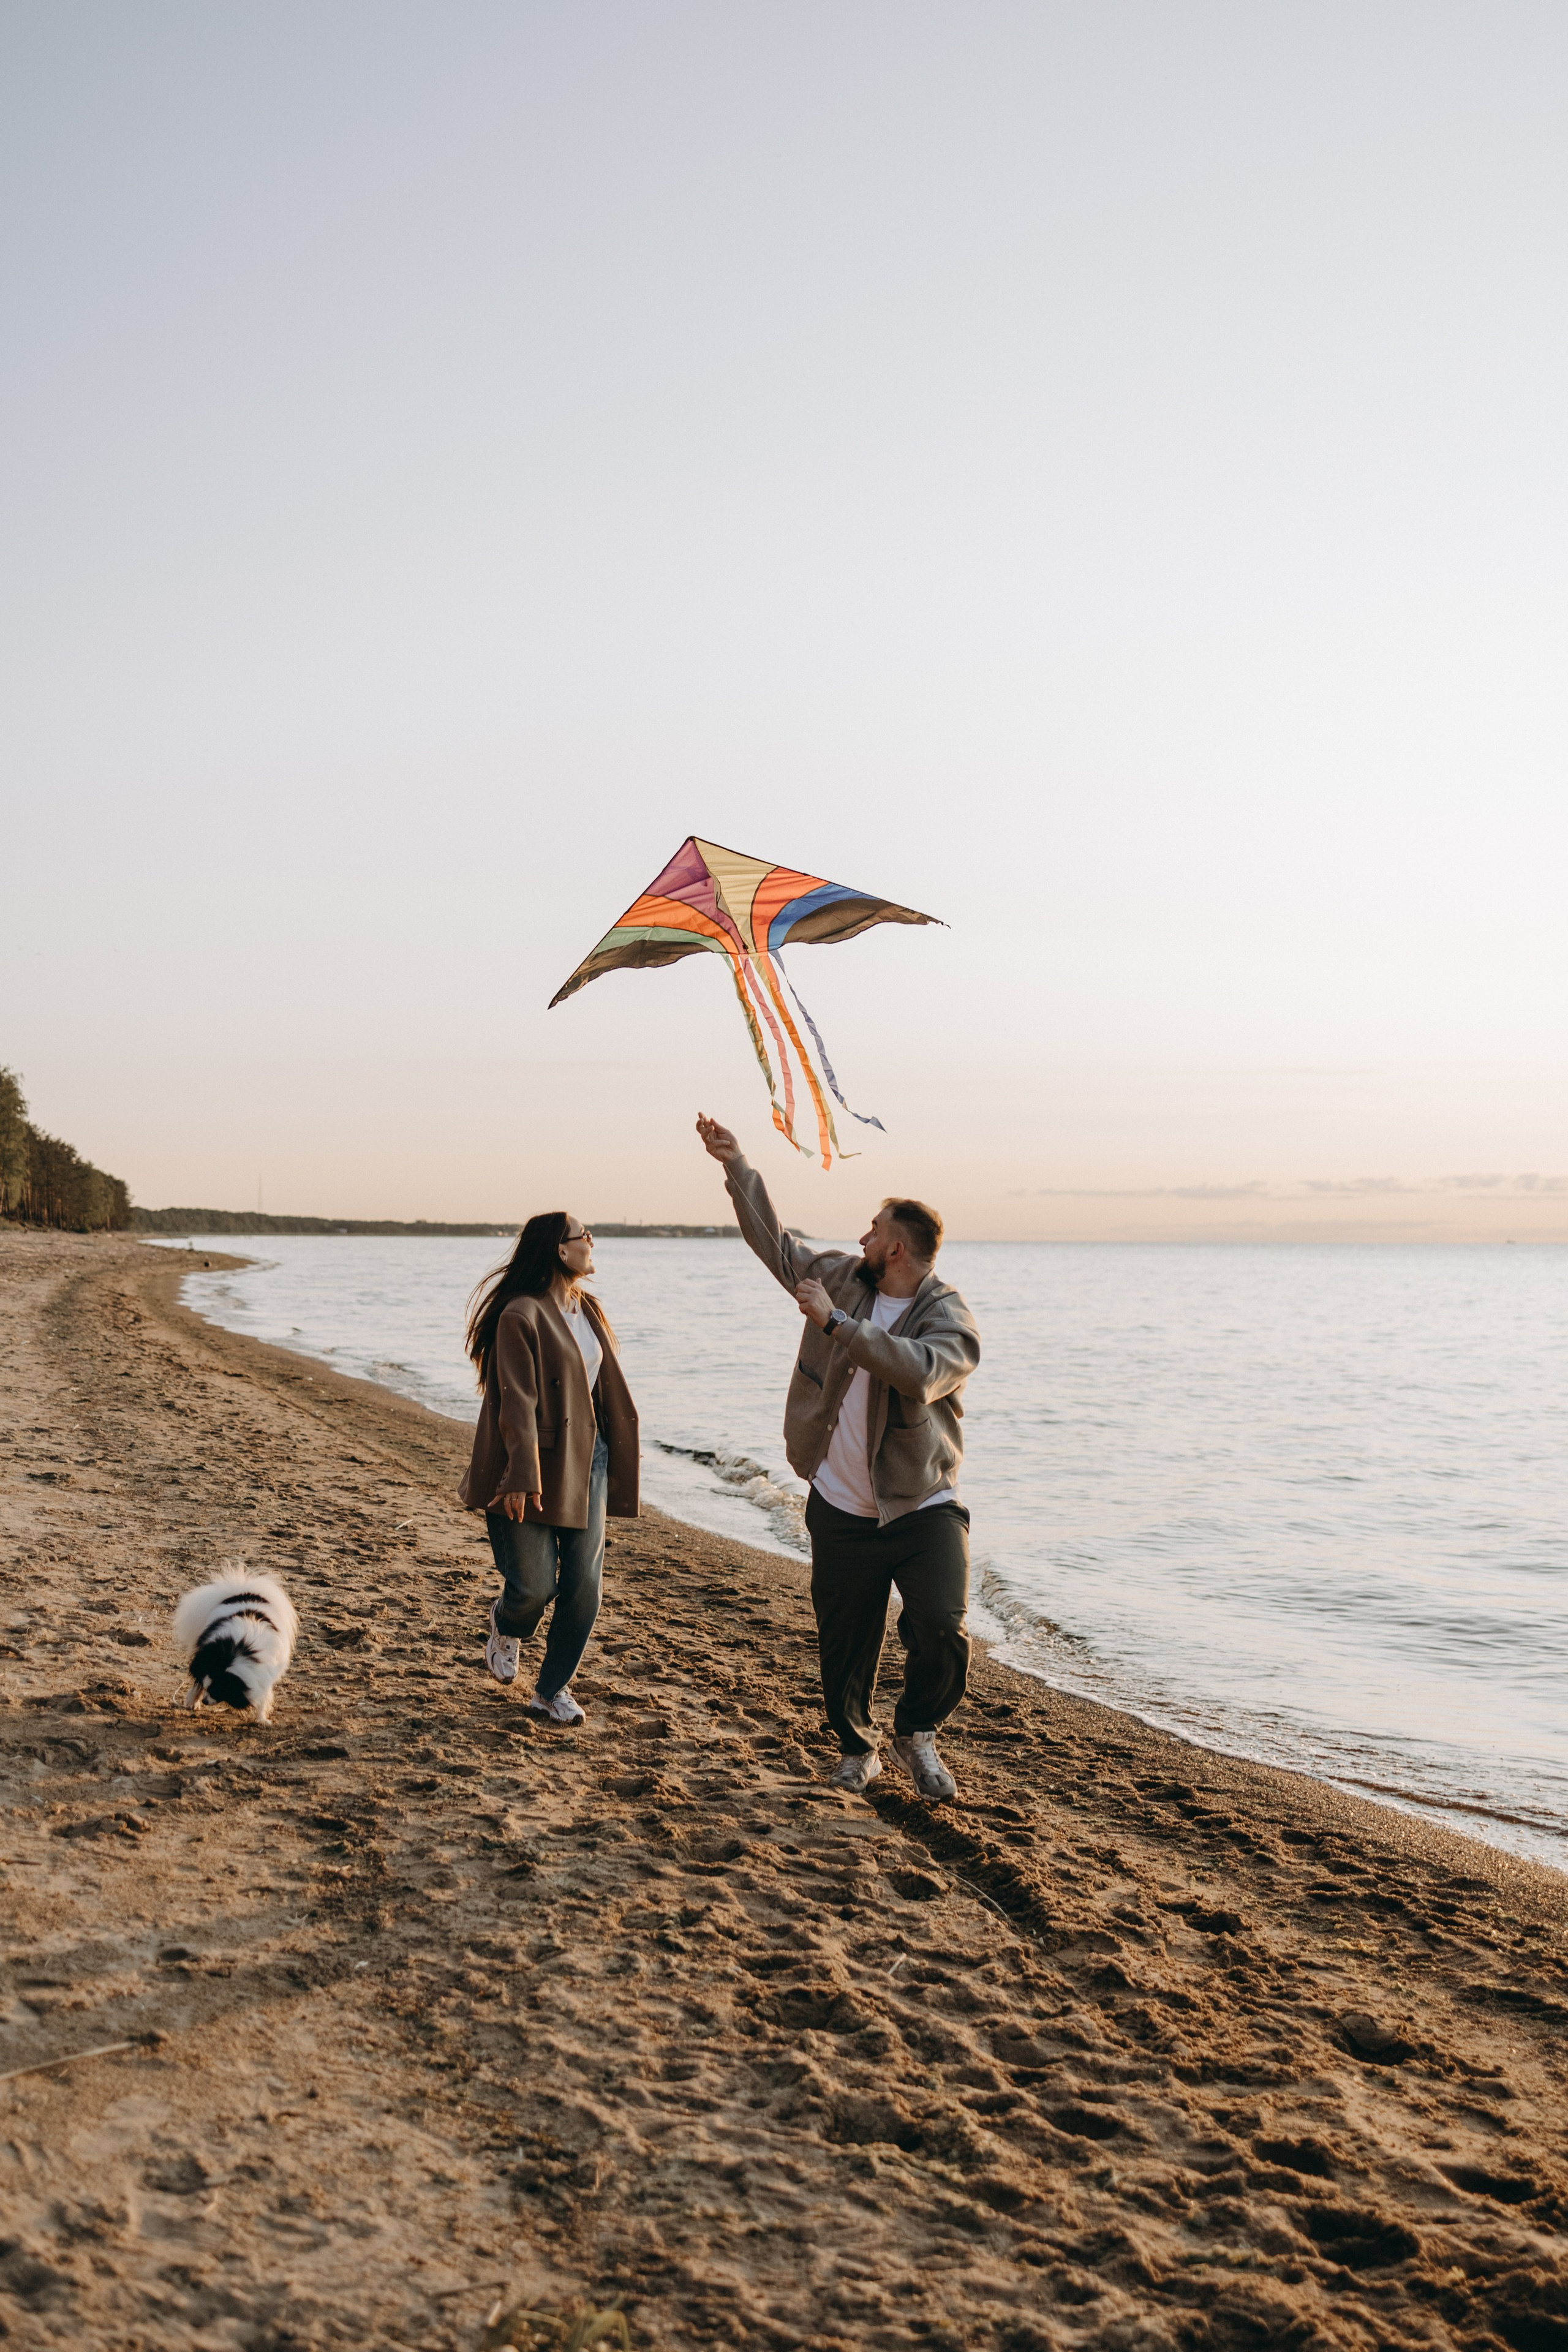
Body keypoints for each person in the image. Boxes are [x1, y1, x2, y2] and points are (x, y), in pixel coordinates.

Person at [696, 1114, 980, 1801]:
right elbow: (776, 1246)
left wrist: (835, 1324)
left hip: (921, 1505)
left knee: (941, 1627)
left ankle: (916, 1733)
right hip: (840, 1506)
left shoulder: (948, 1318)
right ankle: (858, 1748)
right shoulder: (841, 1277)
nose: (861, 1236)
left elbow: (920, 1373)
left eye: (874, 1229)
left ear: (898, 1250)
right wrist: (737, 1167)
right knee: (843, 1644)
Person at [460, 1214, 639, 1724]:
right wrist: (520, 1473)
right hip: (532, 1462)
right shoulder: (521, 1313)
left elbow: (600, 1388)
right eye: (583, 1236)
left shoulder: (589, 1309)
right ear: (561, 1251)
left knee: (584, 1583)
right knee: (533, 1589)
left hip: (590, 1459)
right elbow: (515, 1400)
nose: (591, 1243)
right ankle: (504, 1621)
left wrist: (620, 1449)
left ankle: (551, 1689)